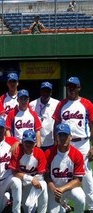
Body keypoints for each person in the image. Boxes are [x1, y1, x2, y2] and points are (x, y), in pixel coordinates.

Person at [52, 76, 93, 211]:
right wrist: (55, 141)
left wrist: (92, 146)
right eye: (69, 86)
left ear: (79, 88)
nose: (71, 89)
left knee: (85, 174)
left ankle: (91, 205)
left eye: (74, 86)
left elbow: (92, 125)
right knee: (64, 172)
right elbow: (56, 124)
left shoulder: (86, 104)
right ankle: (63, 203)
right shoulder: (61, 104)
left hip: (82, 143)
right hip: (64, 143)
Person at [45, 123, 86, 212]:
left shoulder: (77, 154)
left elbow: (78, 181)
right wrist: (53, 189)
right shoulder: (49, 153)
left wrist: (62, 189)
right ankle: (63, 206)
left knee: (81, 198)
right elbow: (46, 176)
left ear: (70, 137)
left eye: (65, 135)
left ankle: (64, 204)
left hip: (68, 188)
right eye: (60, 135)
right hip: (53, 189)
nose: (63, 138)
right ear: (56, 137)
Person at [9, 129, 48, 213]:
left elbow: (41, 174)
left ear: (34, 143)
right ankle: (16, 210)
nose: (28, 144)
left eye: (30, 142)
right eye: (26, 142)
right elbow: (14, 172)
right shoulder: (17, 151)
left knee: (43, 184)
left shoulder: (40, 153)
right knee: (16, 181)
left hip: (34, 182)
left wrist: (32, 181)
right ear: (22, 142)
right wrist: (29, 179)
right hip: (22, 181)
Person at [29, 82, 59, 151]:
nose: (45, 93)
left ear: (51, 92)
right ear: (40, 91)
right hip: (35, 141)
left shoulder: (57, 103)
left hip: (51, 141)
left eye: (48, 91)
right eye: (44, 90)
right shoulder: (32, 104)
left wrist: (57, 140)